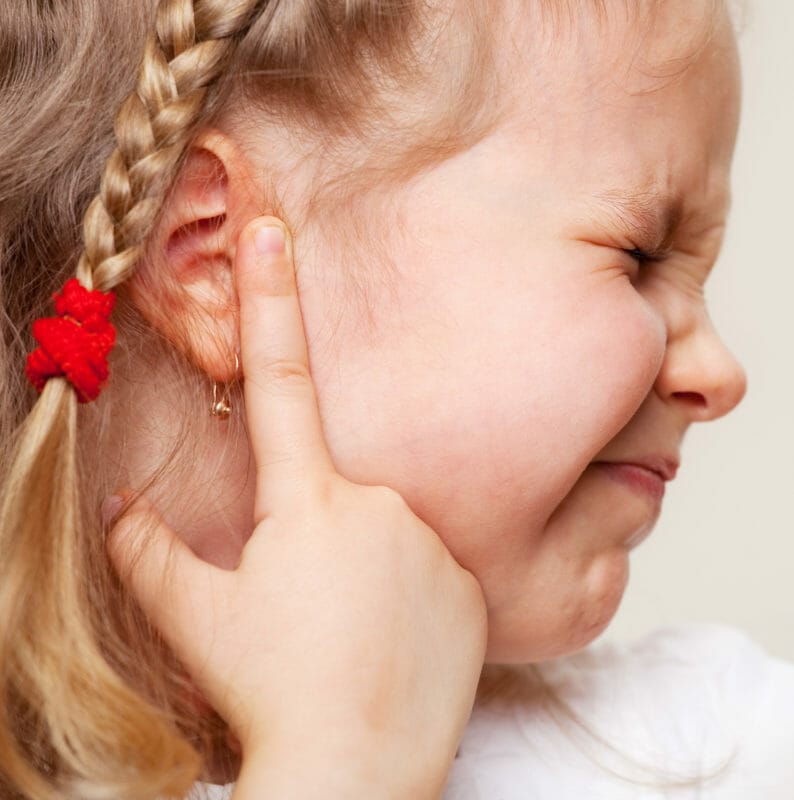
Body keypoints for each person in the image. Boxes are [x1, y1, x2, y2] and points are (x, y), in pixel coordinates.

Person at [1, 0, 792, 798]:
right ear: (218, 261)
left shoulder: (720, 750)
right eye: (640, 254)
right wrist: (345, 763)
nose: (718, 375)